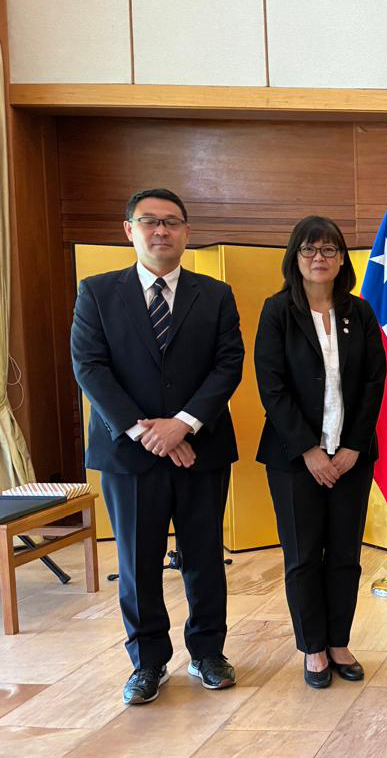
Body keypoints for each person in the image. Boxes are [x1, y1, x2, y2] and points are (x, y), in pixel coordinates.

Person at [71, 187, 244, 705]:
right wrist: (148, 432)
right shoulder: (97, 292)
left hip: (201, 448)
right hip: (128, 454)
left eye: (171, 222)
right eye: (149, 222)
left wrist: (184, 425)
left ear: (187, 233)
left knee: (205, 555)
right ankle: (148, 662)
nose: (161, 231)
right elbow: (90, 367)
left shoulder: (215, 294)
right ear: (130, 230)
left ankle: (208, 653)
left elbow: (227, 364)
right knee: (138, 560)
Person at [254, 216, 387, 688]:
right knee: (304, 554)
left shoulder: (360, 312)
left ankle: (339, 641)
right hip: (295, 459)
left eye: (329, 250)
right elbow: (272, 388)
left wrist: (352, 445)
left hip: (351, 457)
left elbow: (375, 381)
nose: (319, 258)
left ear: (341, 260)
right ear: (295, 256)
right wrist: (309, 449)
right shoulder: (277, 312)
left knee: (346, 554)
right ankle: (313, 647)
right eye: (310, 249)